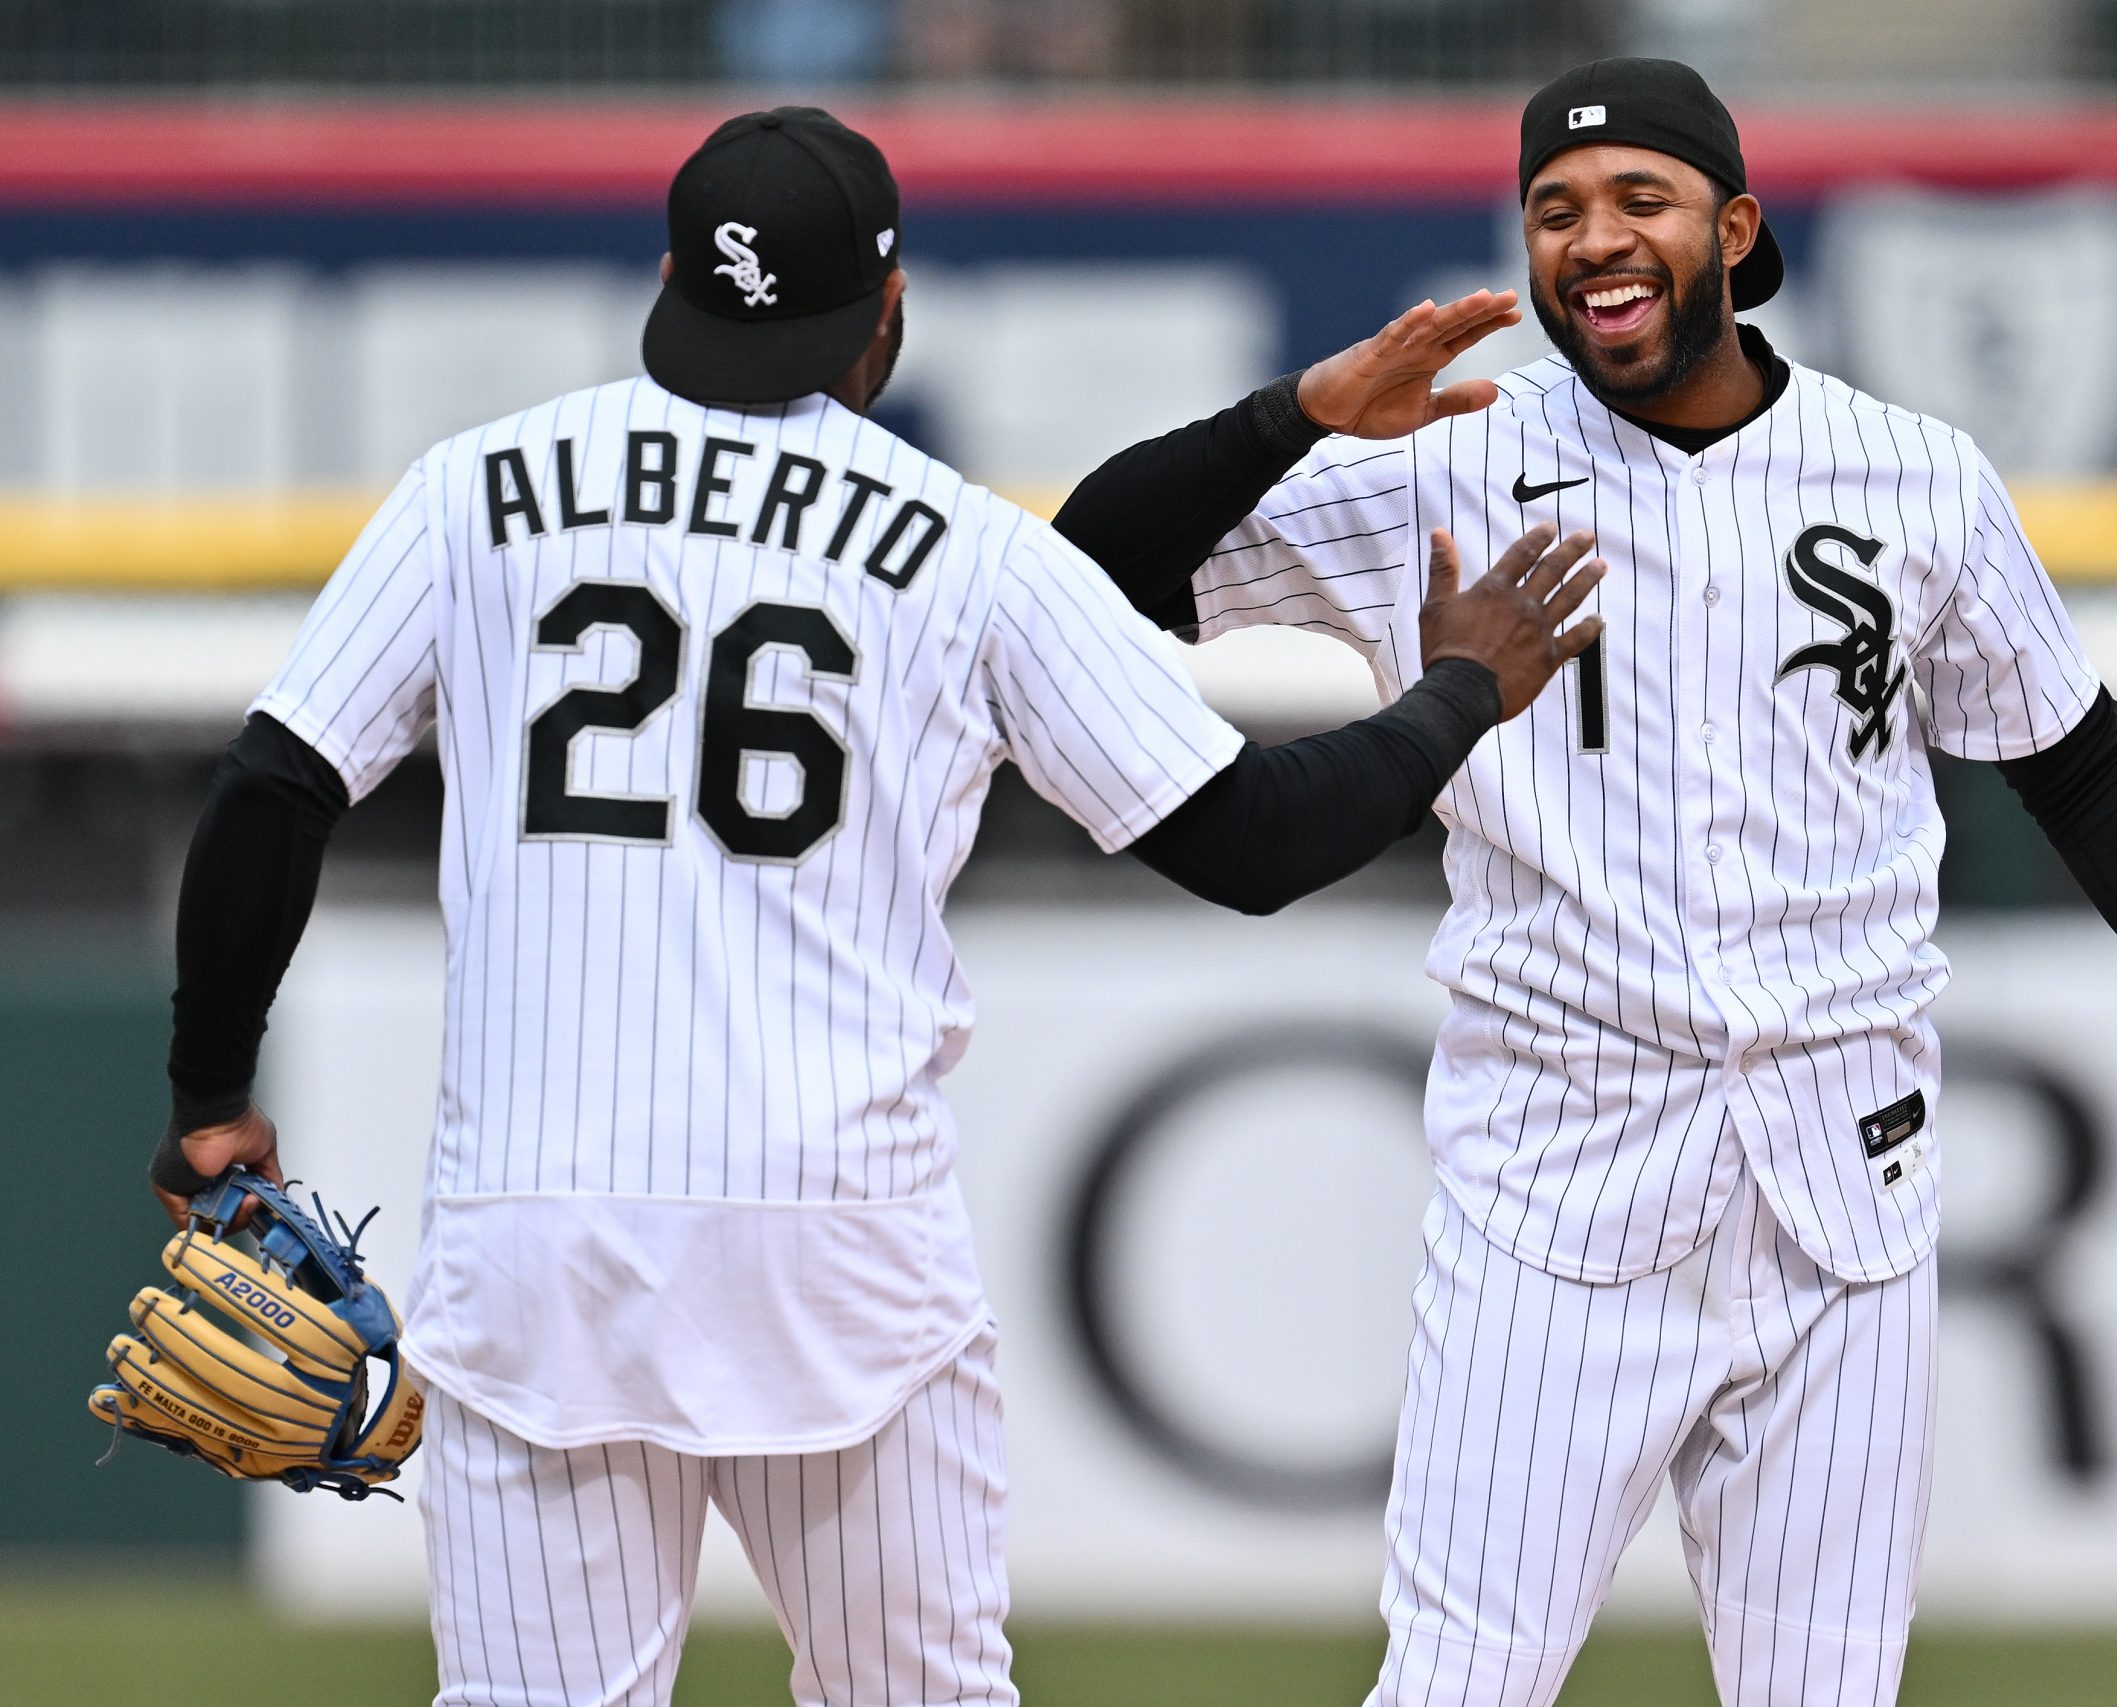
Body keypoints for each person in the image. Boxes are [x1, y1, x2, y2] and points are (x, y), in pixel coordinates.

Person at [1051, 56, 2117, 1707]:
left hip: (1843, 1187)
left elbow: (2078, 762)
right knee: (1454, 1686)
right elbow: (1089, 570)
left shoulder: (1911, 476)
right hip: (1555, 1175)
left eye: (1637, 200)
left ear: (1733, 226)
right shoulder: (1445, 459)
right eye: (1554, 213)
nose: (1594, 240)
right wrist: (1297, 414)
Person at [147, 107, 1599, 1707]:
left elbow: (274, 789)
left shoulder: (475, 491)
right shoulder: (963, 550)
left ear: (669, 281)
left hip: (541, 1242)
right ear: (886, 312)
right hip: (836, 1254)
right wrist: (1462, 690)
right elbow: (1251, 841)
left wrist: (213, 1094)